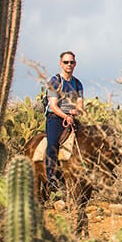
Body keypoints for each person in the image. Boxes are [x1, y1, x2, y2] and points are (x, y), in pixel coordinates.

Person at [45, 51, 84, 192]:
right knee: (53, 144)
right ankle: (51, 178)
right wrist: (65, 116)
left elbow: (80, 105)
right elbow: (53, 106)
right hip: (56, 118)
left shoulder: (78, 83)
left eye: (71, 62)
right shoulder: (55, 81)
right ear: (61, 64)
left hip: (72, 117)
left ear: (75, 64)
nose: (69, 65)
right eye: (66, 62)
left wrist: (76, 112)